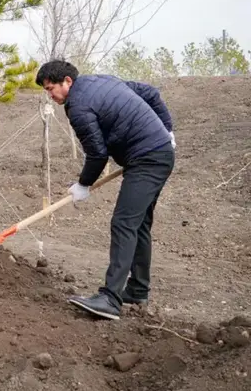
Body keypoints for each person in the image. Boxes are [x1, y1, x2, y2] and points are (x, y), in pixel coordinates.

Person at [36, 60, 175, 320]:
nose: (50, 95)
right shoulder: (104, 80)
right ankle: (137, 290)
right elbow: (150, 92)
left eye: (50, 88)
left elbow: (97, 154)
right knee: (138, 224)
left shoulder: (77, 106)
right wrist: (167, 130)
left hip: (148, 160)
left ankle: (110, 299)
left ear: (67, 81)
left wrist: (83, 184)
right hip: (156, 154)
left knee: (123, 223)